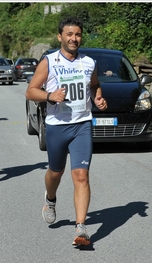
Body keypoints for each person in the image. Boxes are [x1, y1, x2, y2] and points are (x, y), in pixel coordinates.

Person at [25, 17, 107, 246]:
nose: (74, 38)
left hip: (82, 124)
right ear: (60, 37)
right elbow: (30, 91)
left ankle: (81, 228)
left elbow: (93, 85)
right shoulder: (49, 62)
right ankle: (50, 199)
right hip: (56, 126)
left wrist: (97, 98)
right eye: (69, 34)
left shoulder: (89, 62)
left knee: (81, 175)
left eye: (78, 34)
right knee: (55, 172)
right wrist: (50, 96)